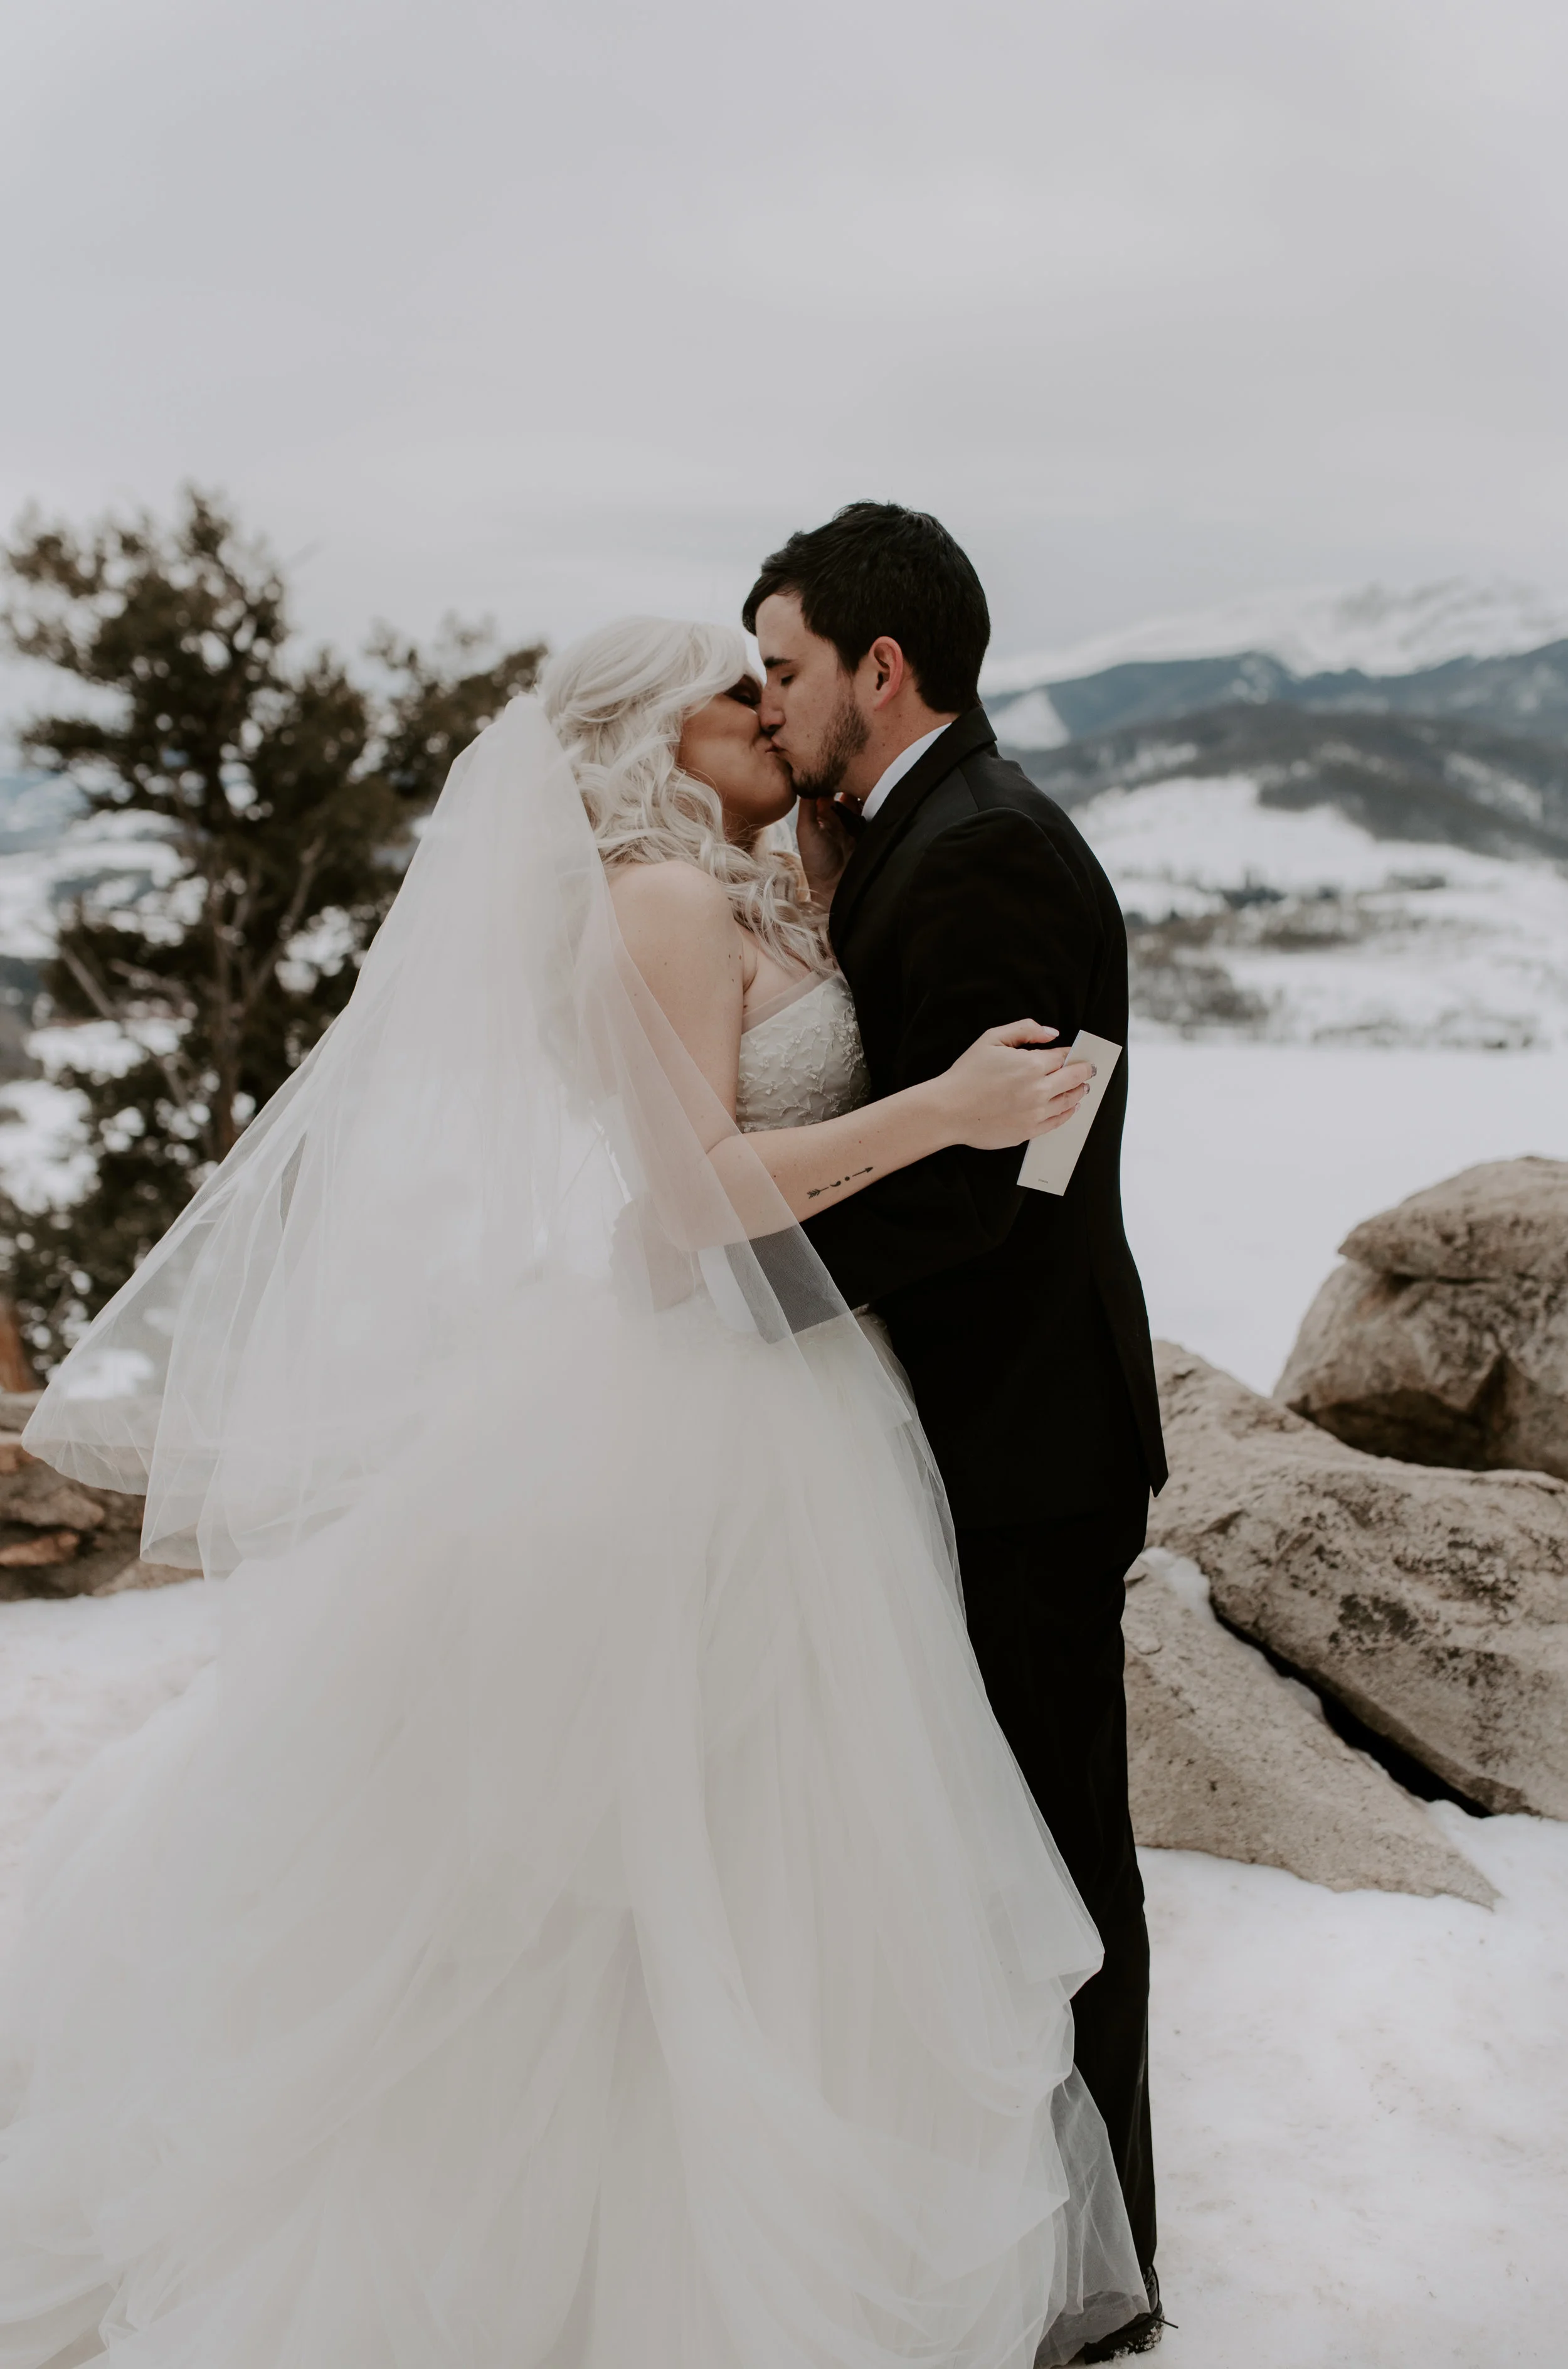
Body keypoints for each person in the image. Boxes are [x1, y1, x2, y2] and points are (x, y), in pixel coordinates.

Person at [0, 619, 1146, 2369]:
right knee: (653, 1847)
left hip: (794, 1392)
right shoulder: (661, 903)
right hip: (709, 1403)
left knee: (769, 1839)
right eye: (730, 688)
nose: (766, 707)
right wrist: (943, 1108)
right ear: (641, 736)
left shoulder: (736, 880)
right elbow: (691, 1206)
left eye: (772, 677)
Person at [744, 504, 1168, 2360]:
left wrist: (730, 1292)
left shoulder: (980, 855)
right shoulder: (930, 829)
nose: (766, 711)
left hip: (1023, 1442)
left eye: (783, 671)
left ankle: (1095, 2280)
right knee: (982, 1847)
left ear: (879, 669)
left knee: (1053, 1856)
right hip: (984, 1424)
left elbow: (980, 1182)